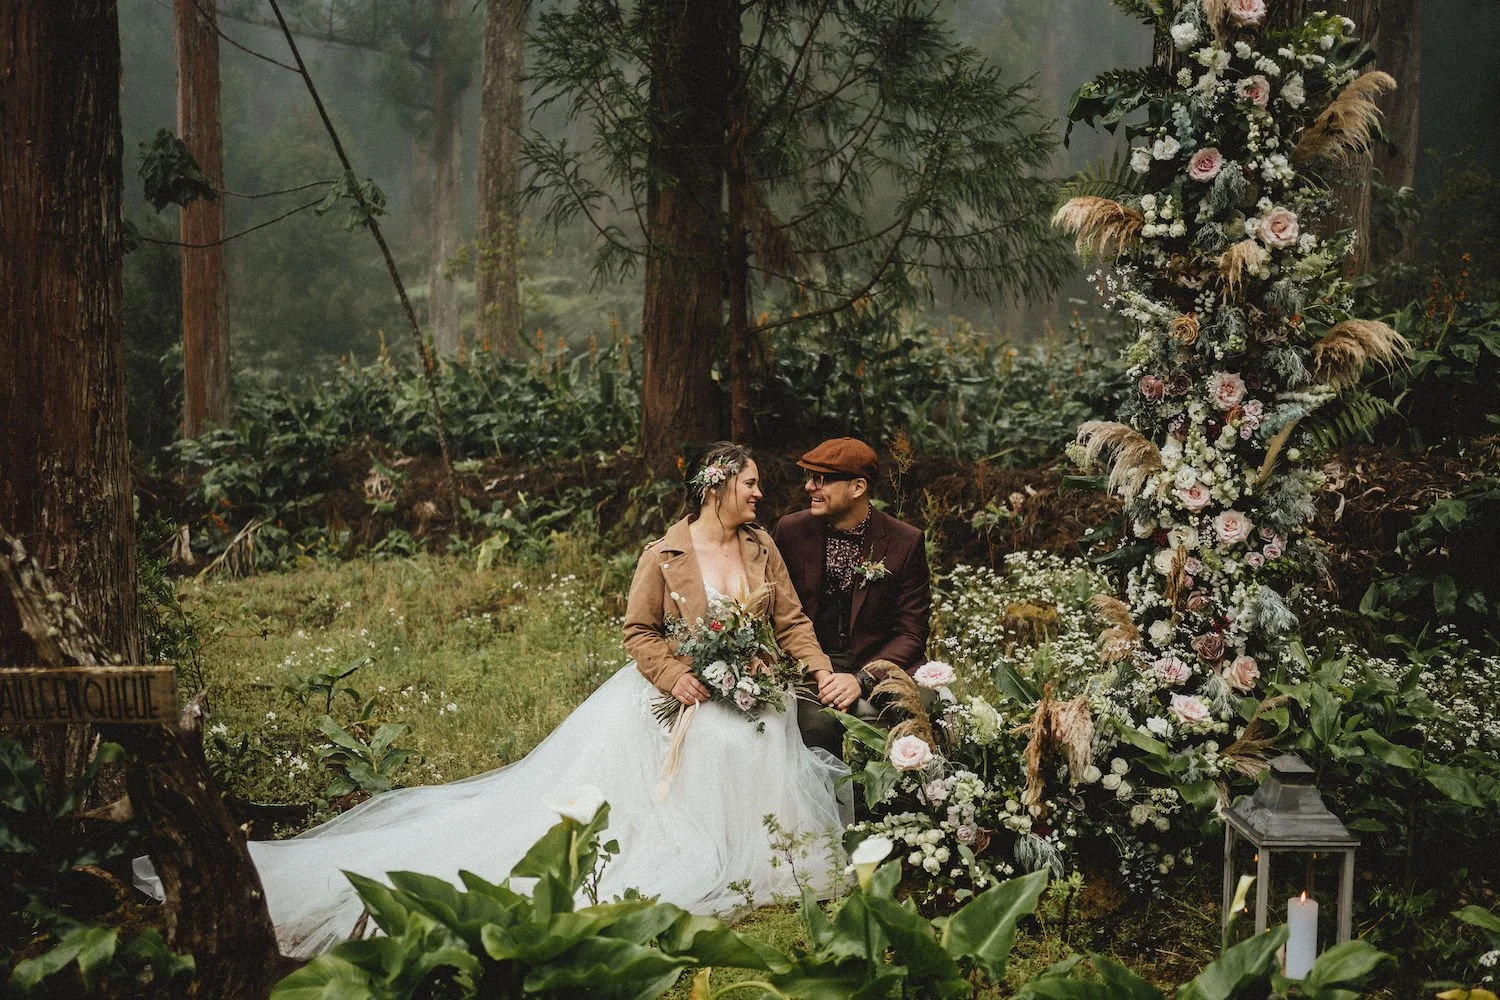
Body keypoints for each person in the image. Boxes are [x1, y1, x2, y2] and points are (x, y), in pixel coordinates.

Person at [138, 443, 849, 958]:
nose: (762, 495)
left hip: (751, 687)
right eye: (751, 484)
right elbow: (638, 630)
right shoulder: (665, 552)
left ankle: (763, 852)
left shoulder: (760, 547)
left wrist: (816, 672)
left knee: (758, 730)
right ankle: (701, 846)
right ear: (718, 486)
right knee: (711, 741)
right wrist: (676, 677)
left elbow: (788, 621)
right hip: (685, 689)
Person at [772, 437, 932, 756]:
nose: (809, 487)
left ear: (857, 487)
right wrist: (819, 669)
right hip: (812, 662)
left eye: (821, 479)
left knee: (919, 708)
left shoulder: (904, 541)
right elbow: (778, 610)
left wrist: (863, 678)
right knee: (816, 726)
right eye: (810, 477)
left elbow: (911, 632)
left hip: (879, 659)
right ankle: (827, 803)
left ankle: (909, 800)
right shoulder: (791, 531)